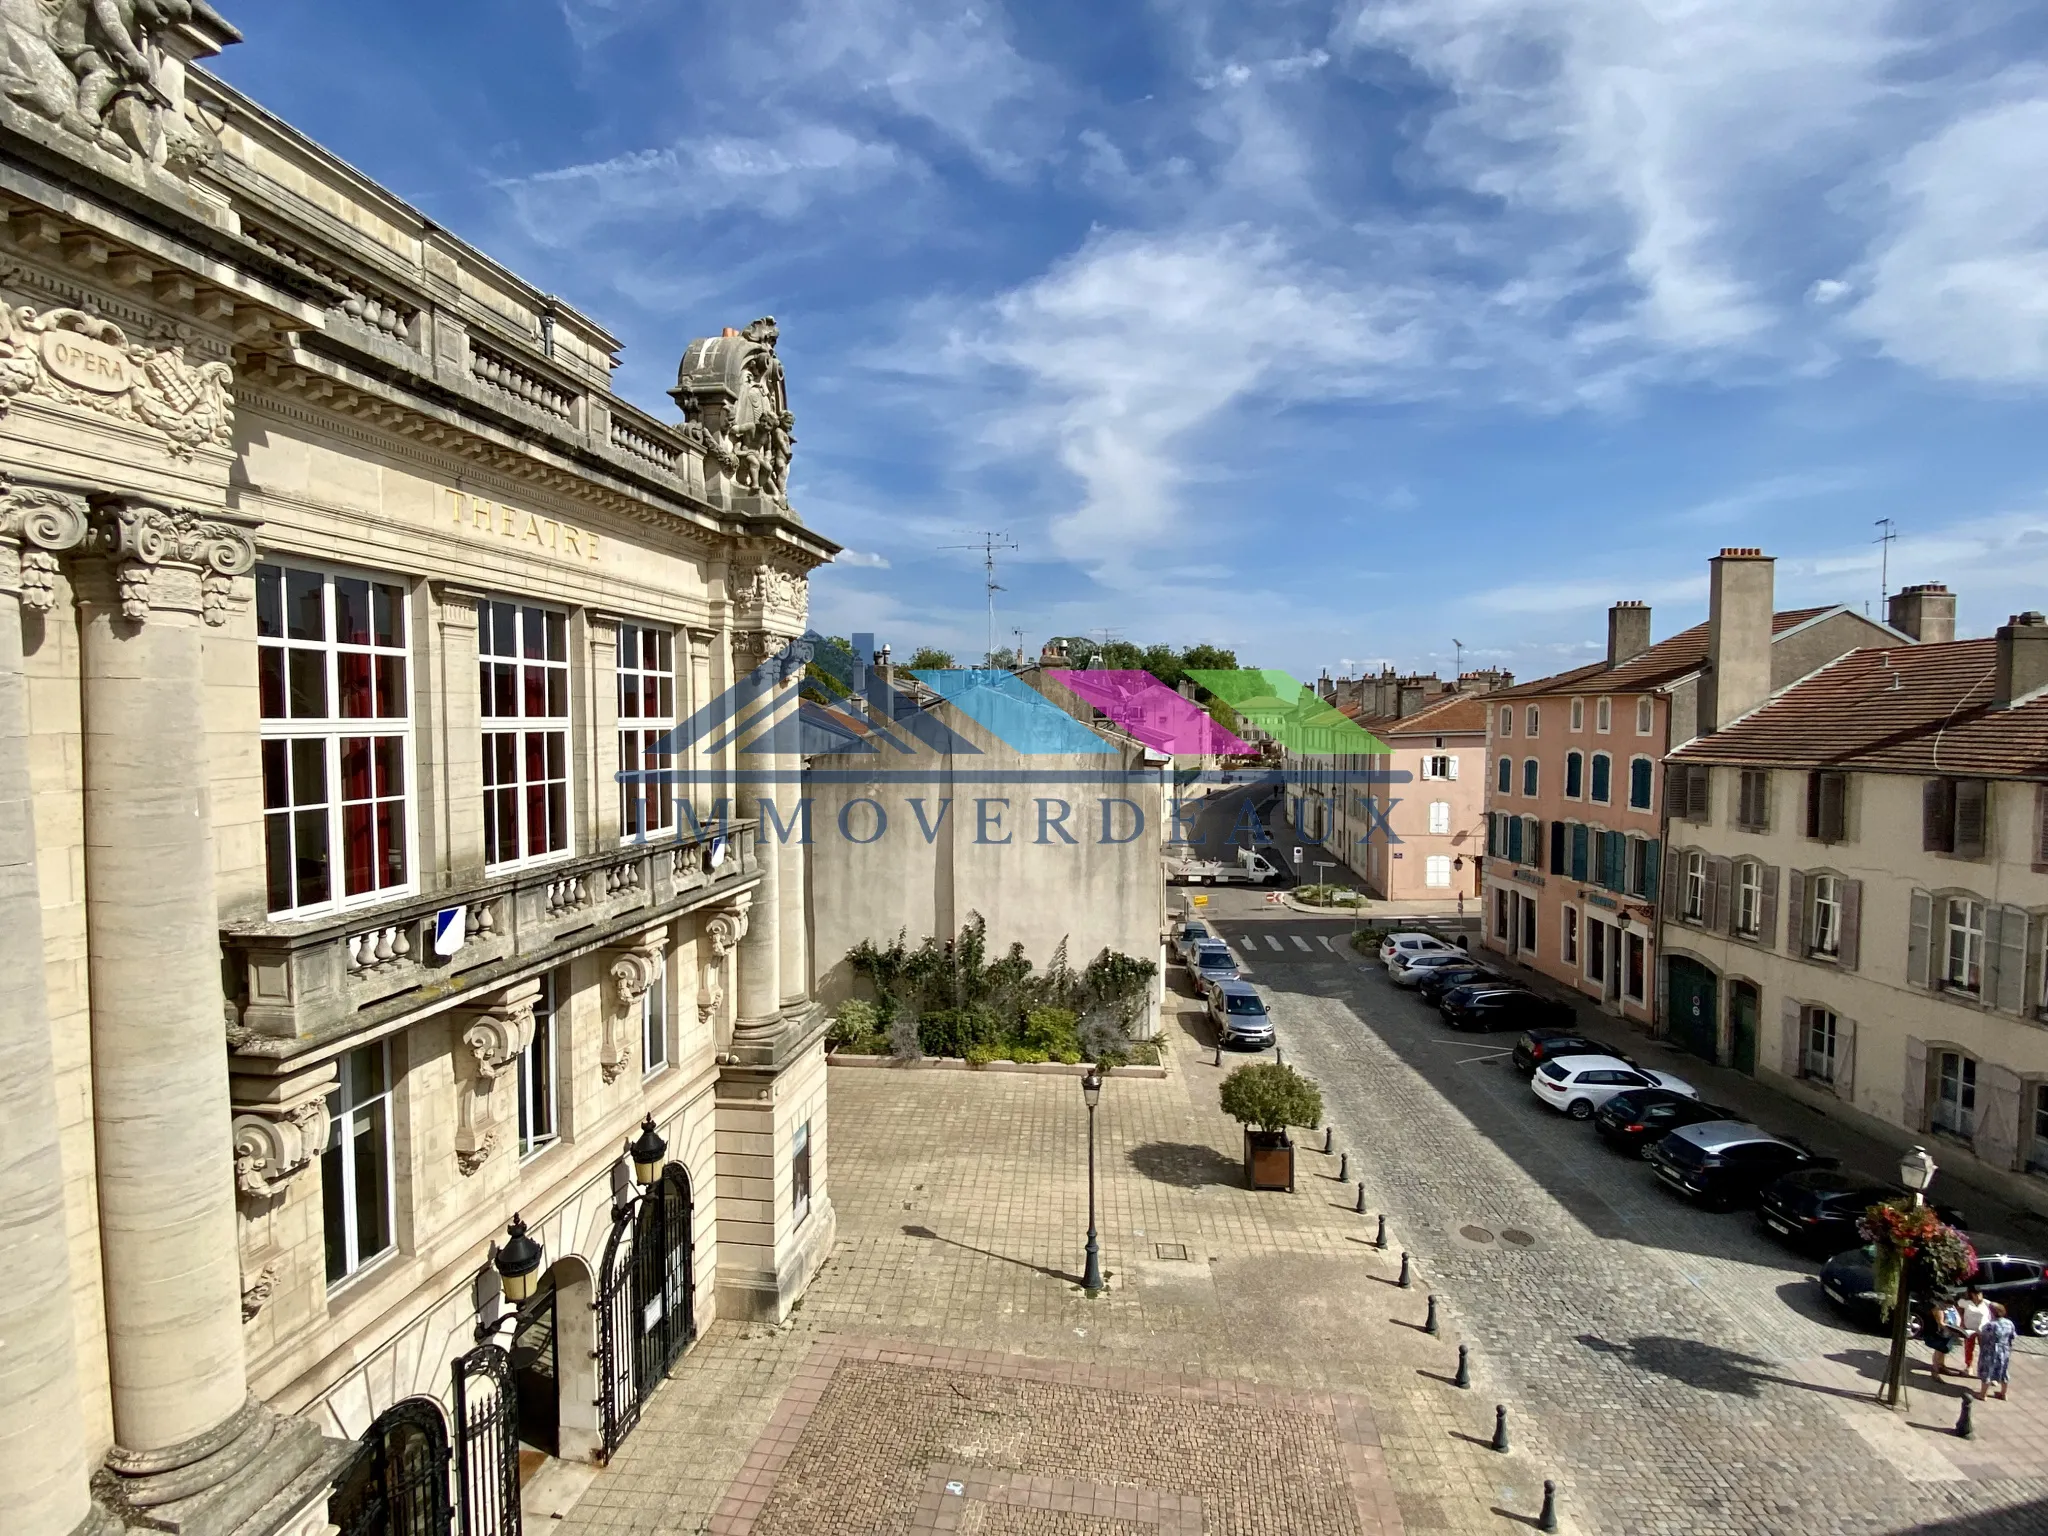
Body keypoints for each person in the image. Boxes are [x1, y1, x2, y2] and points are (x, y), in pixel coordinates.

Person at [1977, 1302, 2016, 1401]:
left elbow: (1983, 1337)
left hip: (1991, 1351)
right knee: (2004, 1370)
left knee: (1987, 1370)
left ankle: (1983, 1394)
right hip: (2005, 1350)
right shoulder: (2009, 1322)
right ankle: (2003, 1394)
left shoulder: (1990, 1325)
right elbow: (2013, 1336)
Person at [1922, 1297, 1959, 1377]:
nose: (1949, 1308)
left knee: (1942, 1351)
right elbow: (1940, 1323)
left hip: (1945, 1333)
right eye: (1949, 1306)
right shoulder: (1938, 1309)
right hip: (1937, 1333)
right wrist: (1953, 1330)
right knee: (1938, 1351)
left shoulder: (1945, 1307)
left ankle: (1941, 1366)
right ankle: (1935, 1371)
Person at [1958, 1288, 1991, 1373]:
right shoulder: (1966, 1303)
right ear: (1972, 1295)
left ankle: (1985, 1368)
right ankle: (1969, 1366)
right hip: (1970, 1329)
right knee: (1968, 1348)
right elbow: (1958, 1307)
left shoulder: (1987, 1303)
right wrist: (1961, 1320)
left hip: (1983, 1330)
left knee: (1985, 1350)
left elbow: (1995, 1313)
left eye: (1980, 1293)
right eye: (1976, 1294)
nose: (1978, 1296)